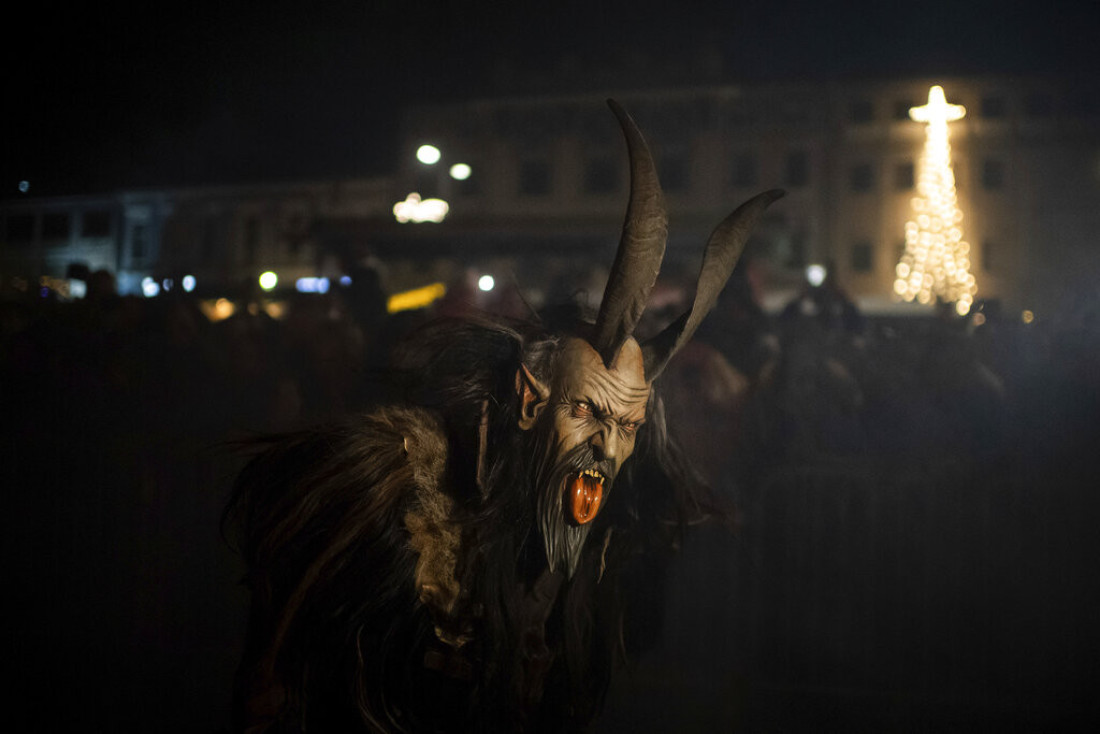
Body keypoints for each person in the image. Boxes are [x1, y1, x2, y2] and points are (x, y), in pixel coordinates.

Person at [225, 100, 782, 733]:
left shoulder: (609, 538)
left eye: (627, 427)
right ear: (530, 399)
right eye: (586, 411)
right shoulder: (401, 495)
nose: (606, 448)